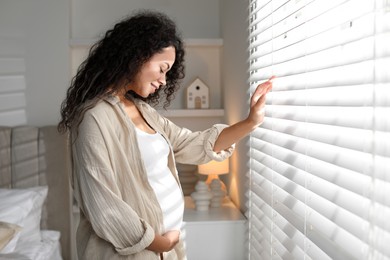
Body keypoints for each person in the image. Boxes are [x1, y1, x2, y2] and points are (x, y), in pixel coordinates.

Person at [58, 10, 273, 260]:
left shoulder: (143, 111)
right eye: (162, 68)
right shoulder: (94, 117)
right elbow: (104, 205)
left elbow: (192, 144)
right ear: (136, 57)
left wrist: (251, 122)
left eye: (167, 72)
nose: (163, 80)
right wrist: (158, 243)